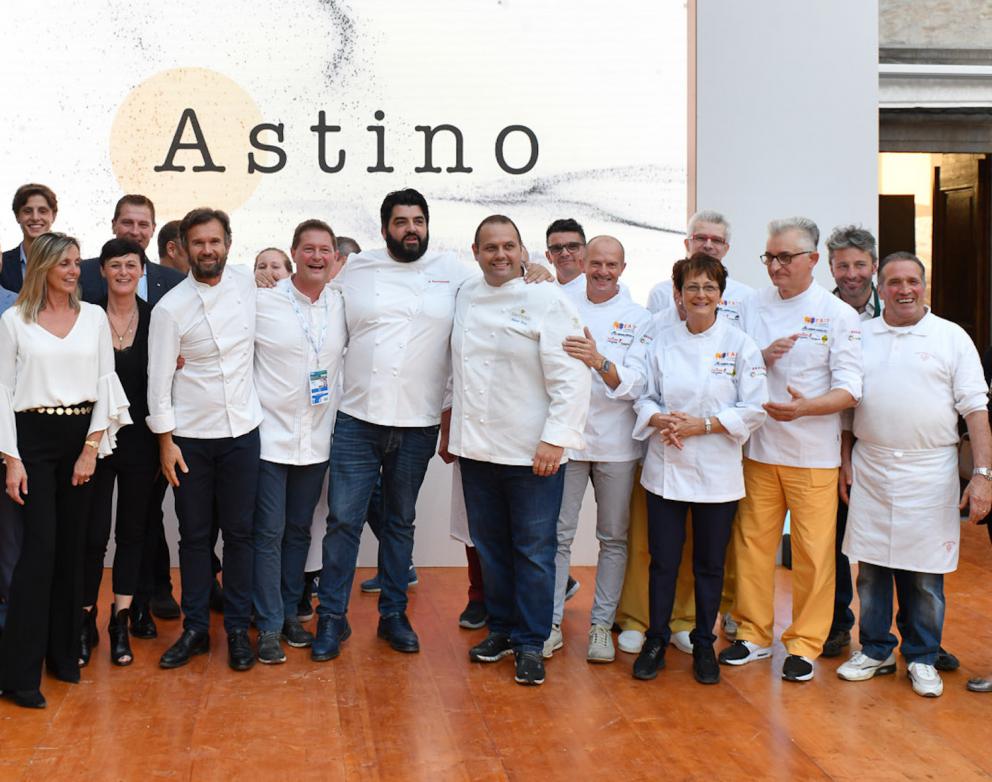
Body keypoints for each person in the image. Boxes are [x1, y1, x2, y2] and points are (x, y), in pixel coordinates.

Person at [311, 189, 550, 663]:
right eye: (401, 222)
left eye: (418, 220)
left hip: (417, 423)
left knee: (400, 523)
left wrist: (535, 269)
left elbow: (502, 272)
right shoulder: (357, 268)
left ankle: (393, 616)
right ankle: (332, 619)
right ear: (384, 230)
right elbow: (311, 303)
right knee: (342, 522)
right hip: (357, 418)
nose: (411, 229)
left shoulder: (453, 273)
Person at [835, 252, 991, 698]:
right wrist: (845, 460)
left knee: (924, 573)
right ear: (880, 289)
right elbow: (847, 408)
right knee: (871, 568)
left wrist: (983, 475)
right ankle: (876, 649)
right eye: (894, 282)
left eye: (912, 281)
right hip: (872, 465)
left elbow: (976, 410)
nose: (904, 290)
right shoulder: (860, 335)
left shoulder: (950, 337)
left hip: (930, 469)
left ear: (925, 286)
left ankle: (923, 655)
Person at [446, 214, 590, 686]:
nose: (501, 255)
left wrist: (555, 438)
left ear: (523, 251)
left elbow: (572, 375)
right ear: (475, 252)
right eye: (491, 248)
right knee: (491, 548)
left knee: (533, 550)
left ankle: (531, 641)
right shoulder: (465, 293)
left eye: (509, 246)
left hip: (532, 452)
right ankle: (503, 630)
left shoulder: (547, 298)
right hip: (477, 450)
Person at [719, 216, 862, 683]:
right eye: (770, 257)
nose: (776, 266)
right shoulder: (750, 304)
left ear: (813, 261)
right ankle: (755, 635)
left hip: (812, 454)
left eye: (785, 257)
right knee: (752, 545)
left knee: (814, 553)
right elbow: (728, 361)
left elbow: (850, 389)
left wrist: (806, 409)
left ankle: (804, 642)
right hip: (758, 450)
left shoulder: (838, 314)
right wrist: (760, 357)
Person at [0, 232, 130, 708]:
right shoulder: (14, 321)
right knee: (37, 557)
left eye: (77, 262)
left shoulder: (93, 317)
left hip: (82, 439)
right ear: (43, 268)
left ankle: (62, 659)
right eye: (65, 264)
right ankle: (18, 675)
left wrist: (91, 449)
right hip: (31, 442)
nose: (74, 271)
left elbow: (104, 382)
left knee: (73, 554)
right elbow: (2, 393)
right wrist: (12, 459)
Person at [628, 254, 768, 683]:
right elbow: (644, 396)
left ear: (721, 295)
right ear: (678, 295)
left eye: (709, 287)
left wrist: (702, 425)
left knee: (709, 564)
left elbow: (755, 407)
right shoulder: (662, 341)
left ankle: (704, 644)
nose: (701, 295)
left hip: (717, 472)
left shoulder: (741, 344)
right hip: (667, 468)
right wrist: (662, 420)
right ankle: (656, 638)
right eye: (692, 287)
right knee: (663, 562)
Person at [147, 207, 262, 672]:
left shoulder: (248, 287)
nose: (208, 250)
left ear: (228, 244)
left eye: (215, 242)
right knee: (194, 538)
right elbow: (157, 382)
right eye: (199, 243)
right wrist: (165, 444)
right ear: (184, 249)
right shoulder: (170, 308)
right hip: (190, 440)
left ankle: (236, 628)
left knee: (240, 535)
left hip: (242, 434)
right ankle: (196, 628)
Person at [544, 236, 650, 663]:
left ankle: (601, 626)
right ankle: (549, 623)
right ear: (584, 262)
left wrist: (598, 360)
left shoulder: (639, 317)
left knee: (613, 538)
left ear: (623, 268)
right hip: (568, 441)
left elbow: (637, 383)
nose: (603, 271)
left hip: (617, 445)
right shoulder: (560, 304)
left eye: (612, 264)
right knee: (558, 536)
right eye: (597, 263)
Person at [252, 220, 346, 663]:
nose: (316, 257)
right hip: (270, 438)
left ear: (334, 257)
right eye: (308, 249)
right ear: (294, 254)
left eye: (324, 250)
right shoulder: (261, 300)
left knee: (298, 531)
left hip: (316, 441)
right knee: (268, 532)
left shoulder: (342, 303)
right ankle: (268, 624)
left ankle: (290, 612)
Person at [79, 239, 161, 668]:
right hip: (94, 442)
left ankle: (120, 620)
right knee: (92, 536)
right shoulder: (87, 315)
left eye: (132, 264)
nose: (124, 272)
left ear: (142, 270)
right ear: (104, 271)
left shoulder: (157, 319)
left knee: (132, 532)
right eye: (116, 265)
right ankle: (85, 618)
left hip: (141, 444)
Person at [646, 210, 753, 328]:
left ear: (726, 249)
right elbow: (651, 340)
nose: (708, 245)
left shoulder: (745, 296)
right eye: (701, 238)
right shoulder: (660, 293)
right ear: (687, 244)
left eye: (716, 240)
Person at [79, 195, 185, 306]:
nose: (135, 231)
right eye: (127, 223)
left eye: (143, 225)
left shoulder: (175, 282)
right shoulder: (82, 273)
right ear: (114, 225)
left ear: (153, 229)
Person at [1, 183, 58, 293]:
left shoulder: (72, 264)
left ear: (53, 216)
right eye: (27, 211)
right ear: (17, 216)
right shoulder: (2, 264)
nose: (35, 218)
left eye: (42, 211)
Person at [545, 218, 587, 303]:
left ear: (586, 252)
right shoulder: (543, 291)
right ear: (548, 256)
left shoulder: (603, 291)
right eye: (556, 248)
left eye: (572, 246)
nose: (565, 253)